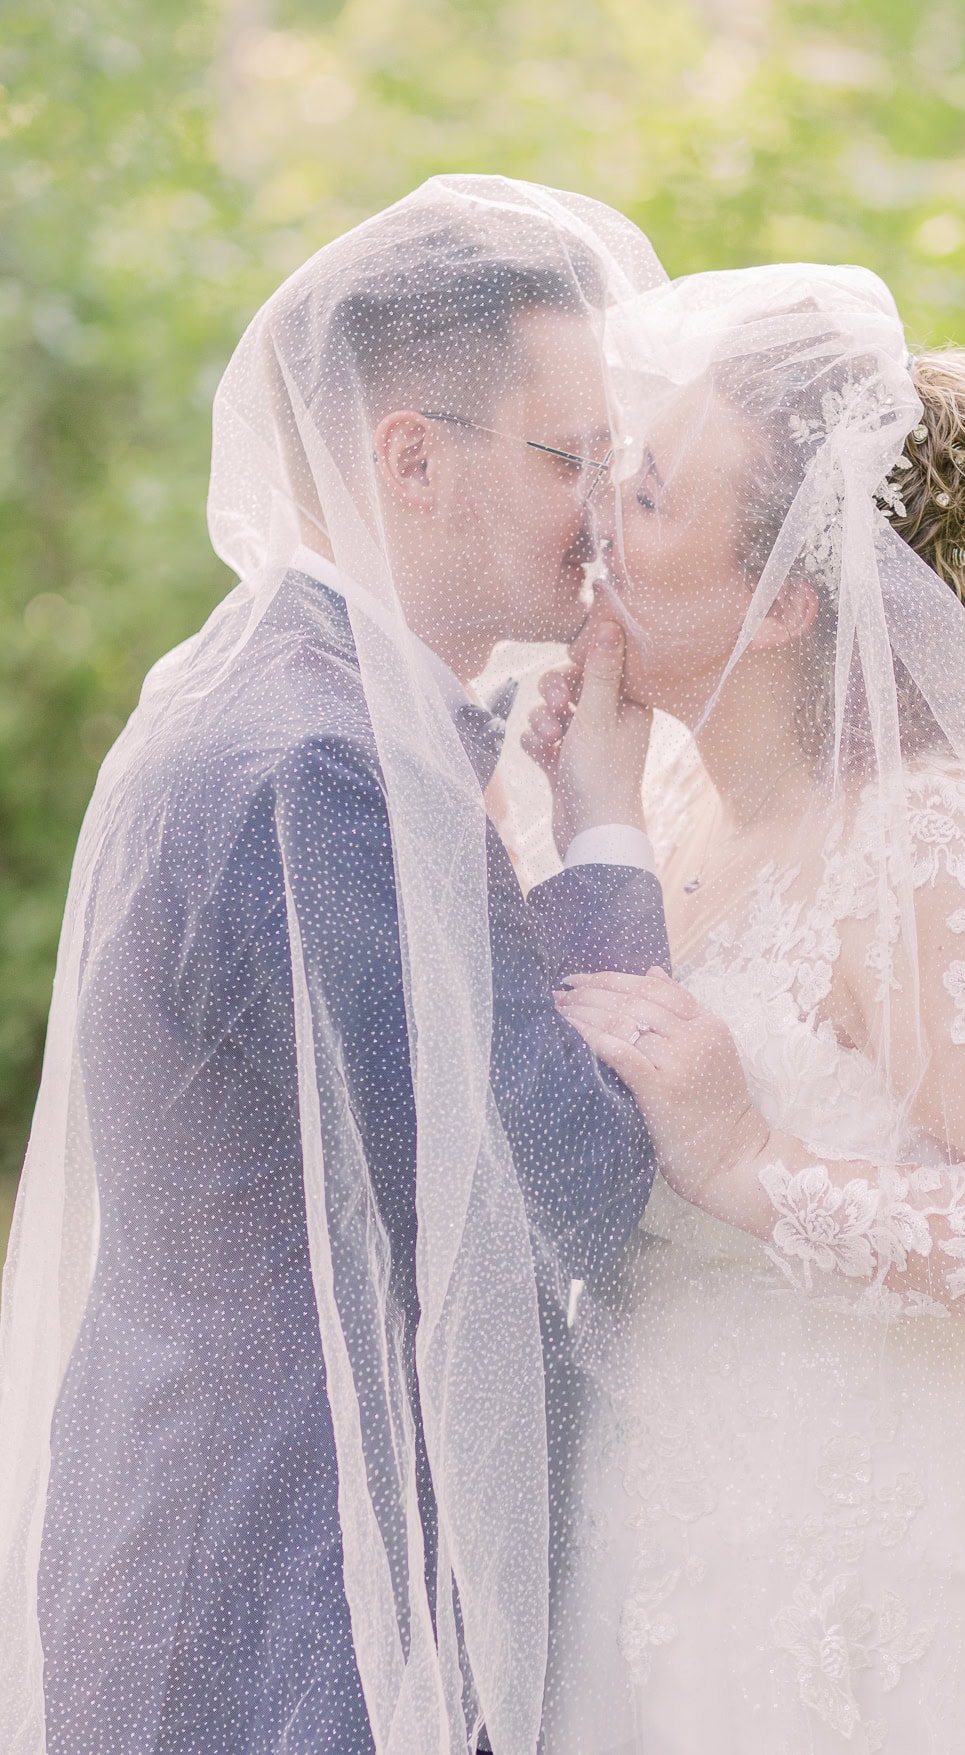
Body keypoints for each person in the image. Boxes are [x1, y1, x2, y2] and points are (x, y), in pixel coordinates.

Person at [0, 176, 673, 1755]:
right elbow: (566, 1178)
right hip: (290, 1587)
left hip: (251, 1531)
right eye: (575, 455)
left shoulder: (281, 698)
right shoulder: (317, 768)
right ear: (411, 458)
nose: (606, 509)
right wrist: (604, 836)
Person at [525, 265, 965, 1753]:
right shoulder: (671, 792)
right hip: (672, 1536)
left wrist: (754, 1164)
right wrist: (593, 818)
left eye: (651, 498)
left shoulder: (938, 844)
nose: (591, 523)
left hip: (912, 1566)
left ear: (785, 601)